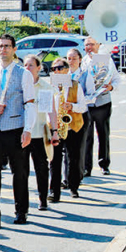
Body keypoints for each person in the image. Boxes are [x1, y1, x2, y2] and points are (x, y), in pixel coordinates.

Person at [0, 34, 36, 228]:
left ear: (14, 50)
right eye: (1, 46)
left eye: (7, 46)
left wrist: (28, 130)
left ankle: (21, 211)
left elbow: (29, 104)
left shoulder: (24, 74)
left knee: (19, 173)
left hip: (16, 128)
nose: (3, 50)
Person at [50, 57, 88, 201]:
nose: (56, 71)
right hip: (56, 126)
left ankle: (73, 187)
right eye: (54, 69)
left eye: (59, 68)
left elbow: (83, 106)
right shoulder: (51, 86)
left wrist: (71, 106)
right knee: (54, 160)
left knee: (74, 158)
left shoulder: (75, 85)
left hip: (72, 125)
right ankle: (54, 191)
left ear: (67, 70)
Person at [24, 54, 58, 210]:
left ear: (39, 68)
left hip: (39, 132)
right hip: (23, 133)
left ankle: (43, 198)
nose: (27, 68)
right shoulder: (21, 85)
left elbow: (51, 111)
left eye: (31, 65)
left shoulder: (45, 87)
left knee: (41, 168)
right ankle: (22, 202)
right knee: (21, 170)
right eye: (25, 65)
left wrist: (55, 131)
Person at [82, 37, 119, 176]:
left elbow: (116, 78)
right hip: (87, 104)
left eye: (92, 44)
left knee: (103, 134)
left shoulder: (106, 59)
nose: (89, 47)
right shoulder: (82, 61)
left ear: (98, 45)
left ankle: (104, 164)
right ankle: (87, 167)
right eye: (87, 45)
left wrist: (111, 87)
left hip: (103, 102)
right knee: (87, 136)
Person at [65, 48, 95, 186]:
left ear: (80, 60)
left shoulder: (85, 75)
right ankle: (67, 178)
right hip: (65, 115)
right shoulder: (63, 75)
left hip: (80, 114)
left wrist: (77, 102)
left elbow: (92, 96)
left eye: (74, 58)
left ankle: (78, 175)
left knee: (78, 148)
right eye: (69, 58)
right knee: (65, 148)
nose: (71, 61)